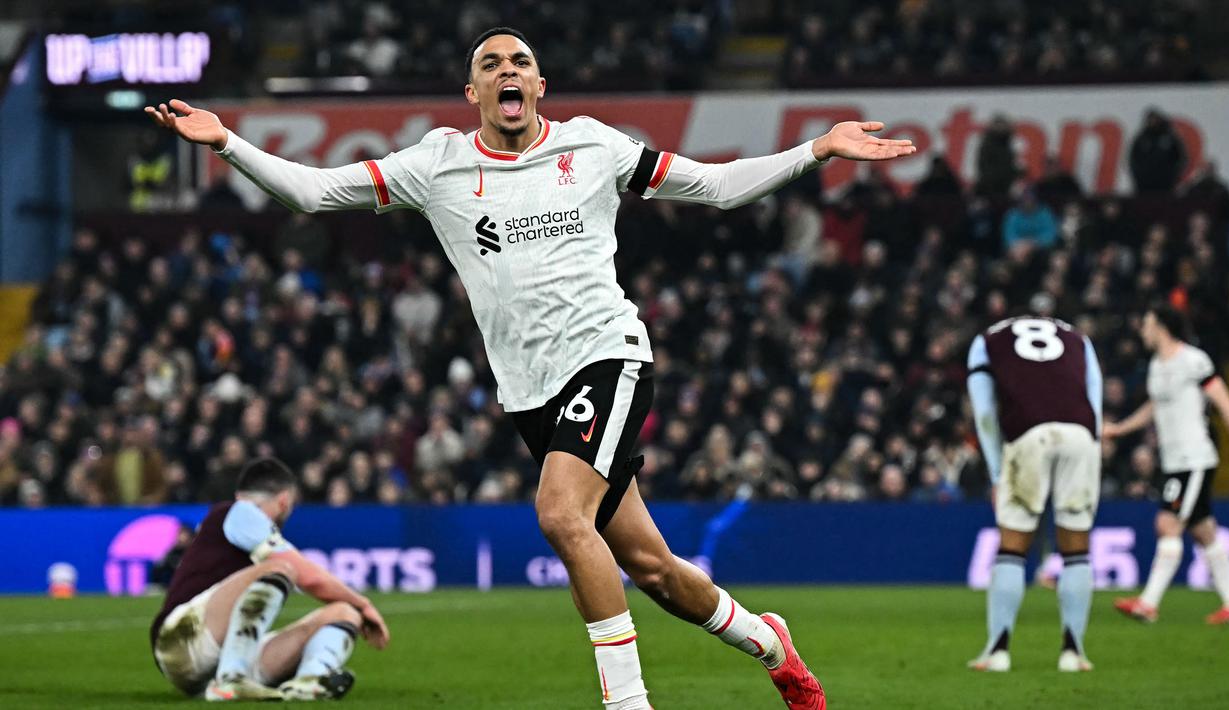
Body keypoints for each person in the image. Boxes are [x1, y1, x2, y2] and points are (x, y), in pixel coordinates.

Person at [146, 26, 916, 709]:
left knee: (558, 513)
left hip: (607, 355)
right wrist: (225, 143)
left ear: (538, 85)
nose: (507, 71)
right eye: (491, 63)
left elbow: (713, 188)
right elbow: (312, 195)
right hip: (529, 393)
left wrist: (815, 148)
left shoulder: (592, 147)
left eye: (521, 61)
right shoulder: (436, 164)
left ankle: (627, 702)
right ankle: (770, 645)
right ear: (473, 89)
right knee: (650, 567)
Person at [149, 457, 390, 701]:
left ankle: (310, 681)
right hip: (180, 639)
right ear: (285, 500)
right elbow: (309, 577)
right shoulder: (240, 512)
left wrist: (356, 608)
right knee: (281, 569)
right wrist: (365, 603)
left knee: (345, 613)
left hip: (212, 656)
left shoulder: (236, 523)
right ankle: (232, 679)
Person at [966, 315, 1103, 672]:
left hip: (1028, 435)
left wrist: (998, 473)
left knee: (1012, 547)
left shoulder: (987, 340)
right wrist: (1094, 447)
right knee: (1076, 548)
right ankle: (1074, 652)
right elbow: (1095, 400)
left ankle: (998, 650)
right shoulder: (1078, 338)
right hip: (1081, 436)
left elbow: (985, 415)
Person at [1104, 306, 1229, 625]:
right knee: (1204, 531)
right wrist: (1120, 429)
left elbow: (1222, 400)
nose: (1142, 330)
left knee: (1167, 523)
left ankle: (1148, 604)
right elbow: (1154, 407)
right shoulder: (1157, 366)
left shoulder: (1193, 360)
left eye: (1146, 324)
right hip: (1174, 460)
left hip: (1194, 457)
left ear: (1162, 327)